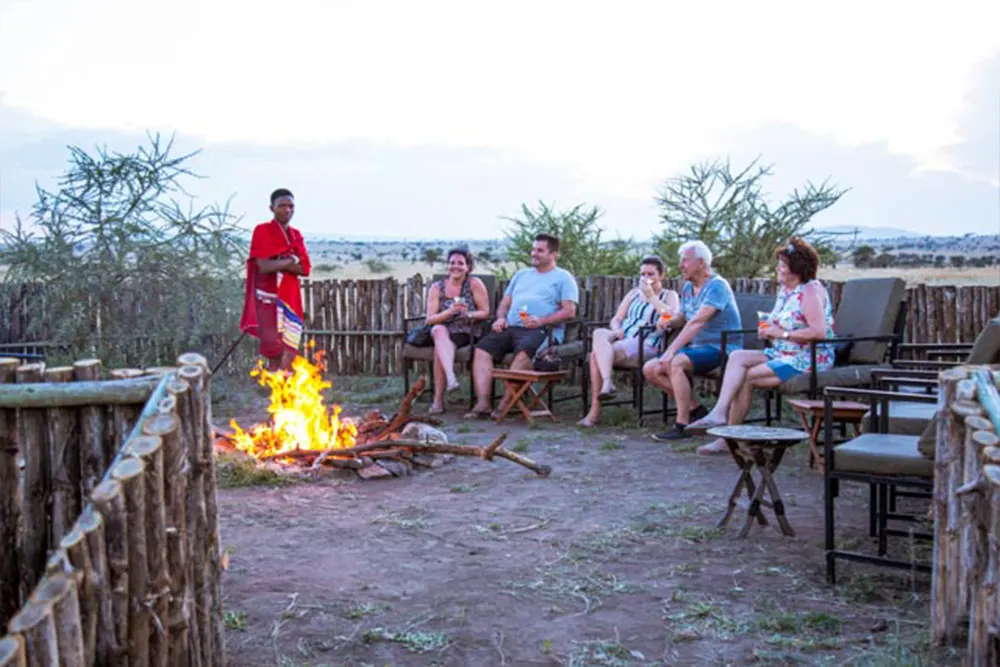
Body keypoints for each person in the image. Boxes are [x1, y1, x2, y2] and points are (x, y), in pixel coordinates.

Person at [687, 237, 836, 454]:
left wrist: (781, 333)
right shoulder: (785, 290)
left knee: (746, 377)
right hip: (782, 351)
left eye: (782, 265)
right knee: (738, 357)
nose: (778, 268)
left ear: (797, 268)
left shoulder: (811, 290)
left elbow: (818, 332)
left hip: (807, 357)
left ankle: (729, 438)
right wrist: (768, 329)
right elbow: (781, 321)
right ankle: (719, 414)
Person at [465, 233, 579, 419]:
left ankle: (505, 405)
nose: (534, 253)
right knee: (482, 349)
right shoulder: (521, 275)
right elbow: (505, 303)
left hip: (542, 330)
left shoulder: (563, 278)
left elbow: (569, 311)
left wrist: (541, 320)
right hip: (512, 327)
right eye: (533, 249)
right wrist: (500, 318)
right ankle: (483, 404)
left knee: (523, 353)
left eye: (540, 250)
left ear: (553, 254)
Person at [643, 240, 741, 441]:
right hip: (698, 348)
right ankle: (697, 410)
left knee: (675, 361)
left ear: (701, 263)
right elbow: (684, 317)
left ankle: (682, 424)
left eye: (685, 261)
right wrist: (668, 321)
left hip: (723, 349)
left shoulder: (717, 286)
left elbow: (696, 322)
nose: (680, 265)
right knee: (650, 369)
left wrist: (671, 350)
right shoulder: (688, 287)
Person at [577, 256, 679, 427]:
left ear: (661, 275)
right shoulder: (633, 294)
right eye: (642, 274)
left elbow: (670, 316)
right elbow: (617, 318)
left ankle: (596, 410)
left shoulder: (669, 295)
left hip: (645, 343)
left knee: (596, 356)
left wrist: (652, 297)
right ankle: (607, 384)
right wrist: (616, 329)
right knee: (599, 332)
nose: (645, 278)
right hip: (623, 337)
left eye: (650, 274)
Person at [239, 188, 312, 372]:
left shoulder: (295, 235)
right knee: (273, 348)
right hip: (267, 299)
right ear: (272, 208)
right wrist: (290, 261)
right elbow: (263, 266)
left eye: (291, 206)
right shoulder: (262, 231)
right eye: (282, 206)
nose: (287, 210)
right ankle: (275, 390)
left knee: (290, 347)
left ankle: (285, 387)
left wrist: (279, 262)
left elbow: (305, 269)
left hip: (290, 298)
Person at [424, 248, 491, 414]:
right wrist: (449, 312)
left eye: (460, 263)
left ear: (468, 267)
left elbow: (485, 312)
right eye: (452, 263)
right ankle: (451, 378)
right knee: (438, 330)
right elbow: (430, 319)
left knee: (439, 350)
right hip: (442, 328)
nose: (456, 266)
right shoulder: (437, 287)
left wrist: (467, 313)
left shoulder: (474, 284)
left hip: (466, 330)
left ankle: (438, 401)